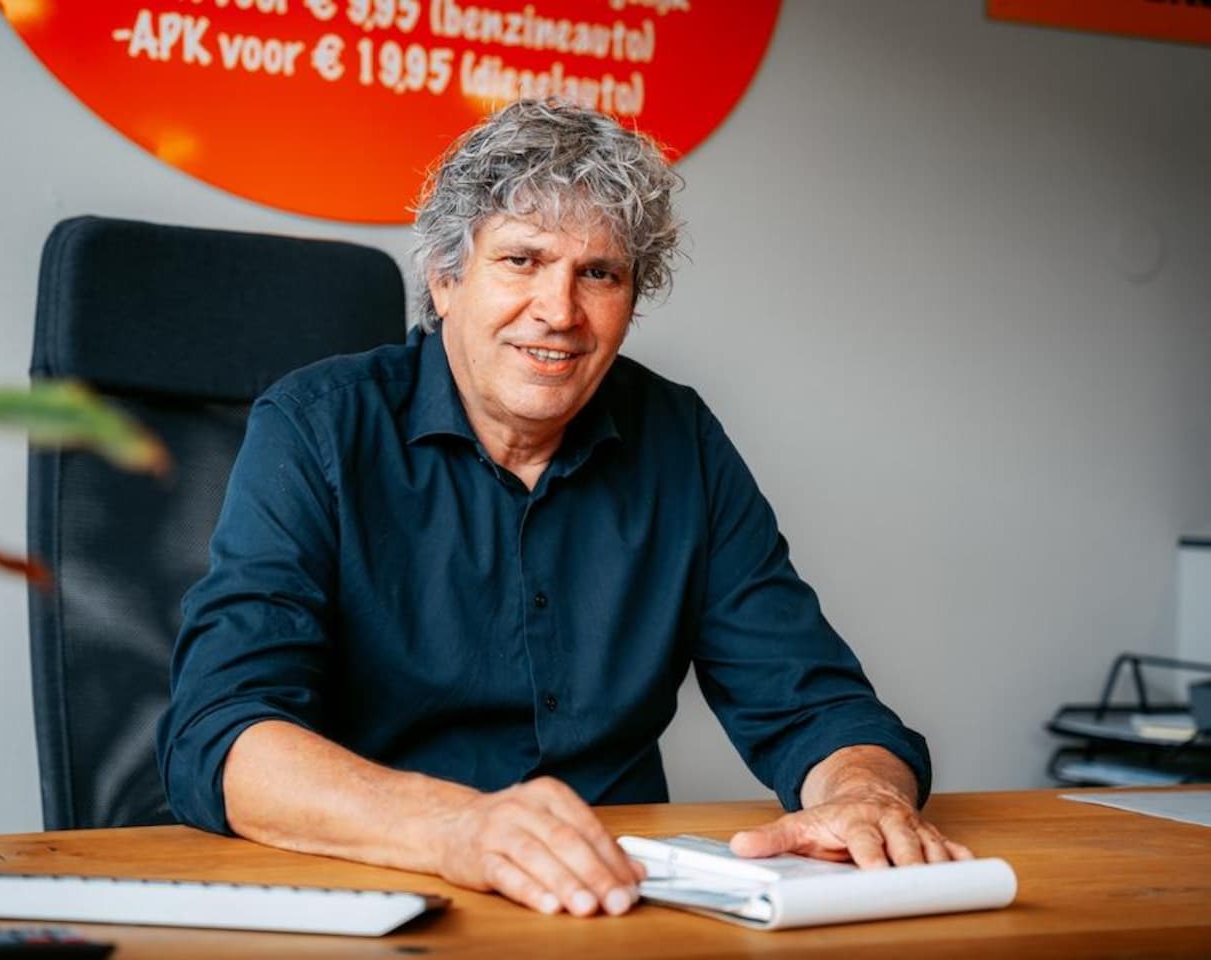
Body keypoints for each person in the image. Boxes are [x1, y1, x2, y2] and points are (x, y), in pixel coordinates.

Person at [157, 99, 971, 919]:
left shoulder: (679, 438)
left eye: (599, 273)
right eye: (521, 260)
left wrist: (863, 795)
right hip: (381, 889)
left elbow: (810, 701)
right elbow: (220, 733)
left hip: (611, 902)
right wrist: (456, 828)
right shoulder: (317, 426)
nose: (559, 311)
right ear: (445, 280)